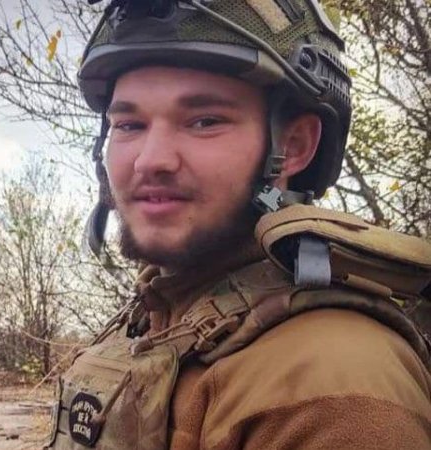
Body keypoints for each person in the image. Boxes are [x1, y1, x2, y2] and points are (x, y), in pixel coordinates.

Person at [45, 1, 431, 448]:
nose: (150, 160)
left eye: (204, 121)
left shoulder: (329, 384)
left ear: (294, 146)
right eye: (129, 125)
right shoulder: (160, 314)